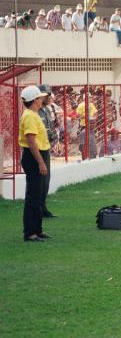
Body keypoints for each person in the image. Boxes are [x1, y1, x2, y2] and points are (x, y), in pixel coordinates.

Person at [19, 86, 52, 242]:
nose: (41, 100)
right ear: (34, 100)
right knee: (33, 195)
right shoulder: (30, 116)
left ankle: (37, 230)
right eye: (39, 98)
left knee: (38, 195)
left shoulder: (33, 114)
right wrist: (41, 162)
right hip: (34, 157)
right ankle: (30, 232)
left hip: (38, 155)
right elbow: (31, 141)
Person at [37, 85, 57, 218]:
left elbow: (50, 127)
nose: (49, 97)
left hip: (46, 147)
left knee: (46, 180)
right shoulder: (36, 112)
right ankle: (38, 208)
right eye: (46, 94)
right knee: (39, 181)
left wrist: (55, 140)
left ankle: (42, 206)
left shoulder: (46, 110)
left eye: (50, 94)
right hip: (38, 148)